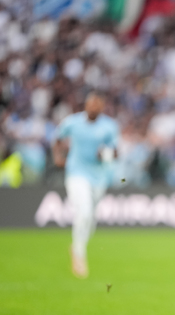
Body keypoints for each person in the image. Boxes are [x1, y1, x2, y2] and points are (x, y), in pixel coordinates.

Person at [52, 92, 119, 278]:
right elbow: (57, 139)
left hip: (99, 177)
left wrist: (105, 154)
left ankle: (77, 246)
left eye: (97, 105)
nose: (94, 107)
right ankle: (79, 255)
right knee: (84, 211)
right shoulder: (72, 122)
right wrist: (58, 157)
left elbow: (115, 152)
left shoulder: (109, 126)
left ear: (102, 107)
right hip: (76, 173)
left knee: (91, 220)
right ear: (86, 105)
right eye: (91, 104)